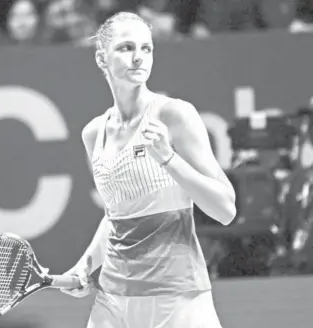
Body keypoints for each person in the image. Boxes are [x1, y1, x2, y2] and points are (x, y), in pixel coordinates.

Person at [60, 11, 236, 328]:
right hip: (113, 300)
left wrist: (169, 158)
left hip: (177, 297)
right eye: (126, 48)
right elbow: (116, 215)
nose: (138, 58)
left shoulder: (175, 115)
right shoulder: (93, 133)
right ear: (102, 59)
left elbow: (225, 208)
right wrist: (84, 266)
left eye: (146, 48)